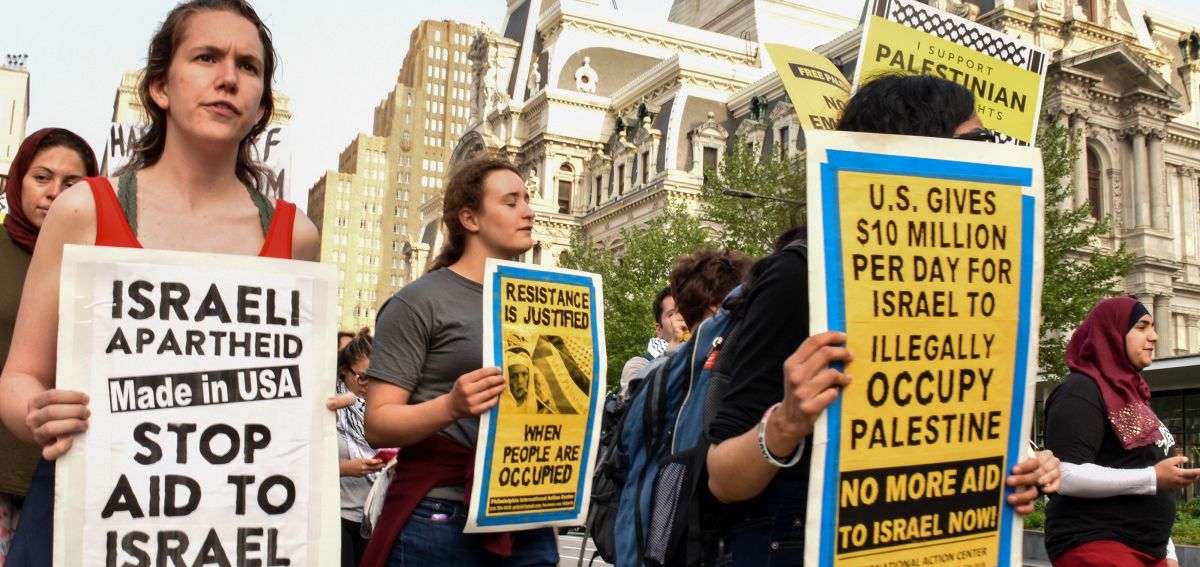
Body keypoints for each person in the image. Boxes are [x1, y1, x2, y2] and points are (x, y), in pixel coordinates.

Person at [0, 2, 319, 564]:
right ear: (160, 88)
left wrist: (314, 411)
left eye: (248, 66)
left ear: (261, 105)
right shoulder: (85, 210)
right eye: (205, 57)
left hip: (231, 526)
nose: (227, 77)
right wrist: (37, 412)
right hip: (85, 518)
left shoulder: (296, 237)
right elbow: (21, 375)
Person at [703, 73, 1060, 566]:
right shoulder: (802, 276)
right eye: (979, 139)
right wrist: (786, 423)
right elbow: (721, 478)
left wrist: (1020, 471)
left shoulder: (975, 285)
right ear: (920, 150)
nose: (995, 152)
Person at [361, 155, 558, 566]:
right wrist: (450, 406)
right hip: (441, 517)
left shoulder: (545, 301)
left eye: (527, 199)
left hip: (527, 518)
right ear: (470, 218)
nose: (529, 210)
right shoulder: (418, 302)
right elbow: (378, 424)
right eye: (511, 201)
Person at [0, 128, 97, 564]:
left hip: (69, 475)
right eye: (42, 177)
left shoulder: (103, 264)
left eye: (72, 184)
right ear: (15, 180)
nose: (55, 193)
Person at [1044, 297, 1196, 566]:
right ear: (1111, 333)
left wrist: (1168, 550)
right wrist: (1152, 478)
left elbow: (1145, 472)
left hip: (1150, 551)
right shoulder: (1081, 390)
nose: (1154, 336)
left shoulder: (1134, 397)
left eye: (1152, 327)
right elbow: (1065, 474)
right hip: (1099, 544)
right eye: (1142, 326)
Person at [336, 328, 385, 567]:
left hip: (374, 518)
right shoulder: (329, 407)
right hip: (337, 517)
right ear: (344, 371)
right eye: (363, 377)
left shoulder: (382, 409)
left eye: (376, 377)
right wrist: (345, 469)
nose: (369, 385)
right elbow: (302, 468)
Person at [619, 287, 687, 397]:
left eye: (685, 311)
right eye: (672, 314)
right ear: (659, 330)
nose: (682, 317)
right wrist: (674, 347)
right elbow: (632, 402)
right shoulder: (638, 364)